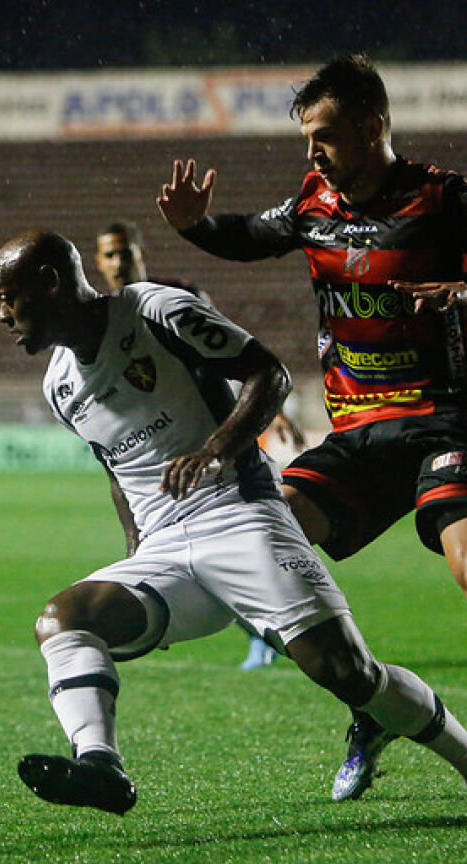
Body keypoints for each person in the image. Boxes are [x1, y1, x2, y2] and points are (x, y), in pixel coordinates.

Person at [156, 53, 467, 820]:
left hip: (445, 419)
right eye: (308, 137)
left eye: (326, 136)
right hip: (357, 436)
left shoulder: (443, 198)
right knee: (262, 546)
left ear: (373, 128)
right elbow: (247, 236)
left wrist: (466, 285)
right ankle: (374, 702)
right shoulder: (313, 202)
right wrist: (196, 227)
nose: (313, 152)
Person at [0, 228, 467, 823]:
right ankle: (100, 764)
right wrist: (135, 553)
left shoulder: (154, 309)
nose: (2, 313)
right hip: (166, 550)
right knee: (64, 619)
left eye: (8, 295)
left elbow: (268, 374)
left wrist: (219, 450)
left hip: (241, 514)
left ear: (49, 283)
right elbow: (118, 473)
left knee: (348, 673)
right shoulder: (59, 386)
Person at [94, 220, 306, 670]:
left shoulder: (176, 296)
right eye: (109, 255)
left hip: (213, 450)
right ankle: (263, 630)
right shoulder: (100, 320)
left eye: (125, 252)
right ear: (98, 263)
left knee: (239, 543)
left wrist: (275, 410)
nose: (119, 262)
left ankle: (290, 626)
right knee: (190, 557)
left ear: (141, 252)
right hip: (154, 463)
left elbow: (234, 353)